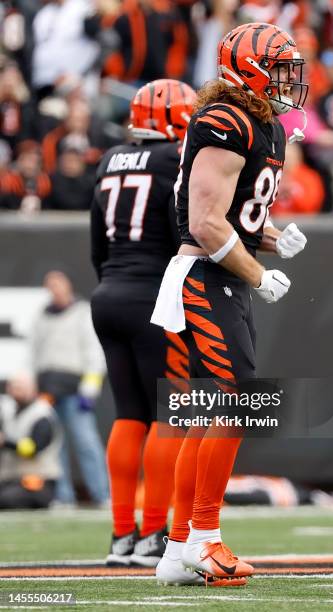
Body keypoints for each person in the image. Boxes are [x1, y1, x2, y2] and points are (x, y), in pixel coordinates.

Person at [152, 22, 308, 586]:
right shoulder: (225, 121)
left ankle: (176, 552)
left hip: (223, 276)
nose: (292, 80)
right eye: (283, 68)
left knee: (214, 410)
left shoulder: (266, 124)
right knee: (238, 404)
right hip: (205, 274)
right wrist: (260, 273)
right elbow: (204, 221)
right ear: (250, 67)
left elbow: (239, 215)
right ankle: (204, 537)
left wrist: (271, 237)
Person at [90, 78, 196, 567]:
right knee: (166, 414)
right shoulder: (173, 160)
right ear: (177, 119)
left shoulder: (111, 158)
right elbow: (185, 234)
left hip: (108, 292)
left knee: (129, 413)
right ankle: (153, 532)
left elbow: (98, 245)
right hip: (152, 295)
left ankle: (120, 535)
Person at [30, 270, 109, 506]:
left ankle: (101, 493)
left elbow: (94, 353)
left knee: (86, 442)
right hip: (48, 392)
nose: (54, 290)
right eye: (50, 285)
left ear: (67, 286)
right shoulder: (41, 317)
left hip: (75, 390)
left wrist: (89, 389)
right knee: (55, 447)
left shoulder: (81, 314)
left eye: (58, 284)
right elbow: (34, 355)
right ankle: (63, 496)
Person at [0, 372, 62, 509]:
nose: (16, 390)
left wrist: (5, 442)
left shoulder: (42, 413)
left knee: (6, 499)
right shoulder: (7, 409)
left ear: (33, 388)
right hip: (8, 480)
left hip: (37, 482)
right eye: (13, 386)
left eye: (21, 387)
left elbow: (33, 448)